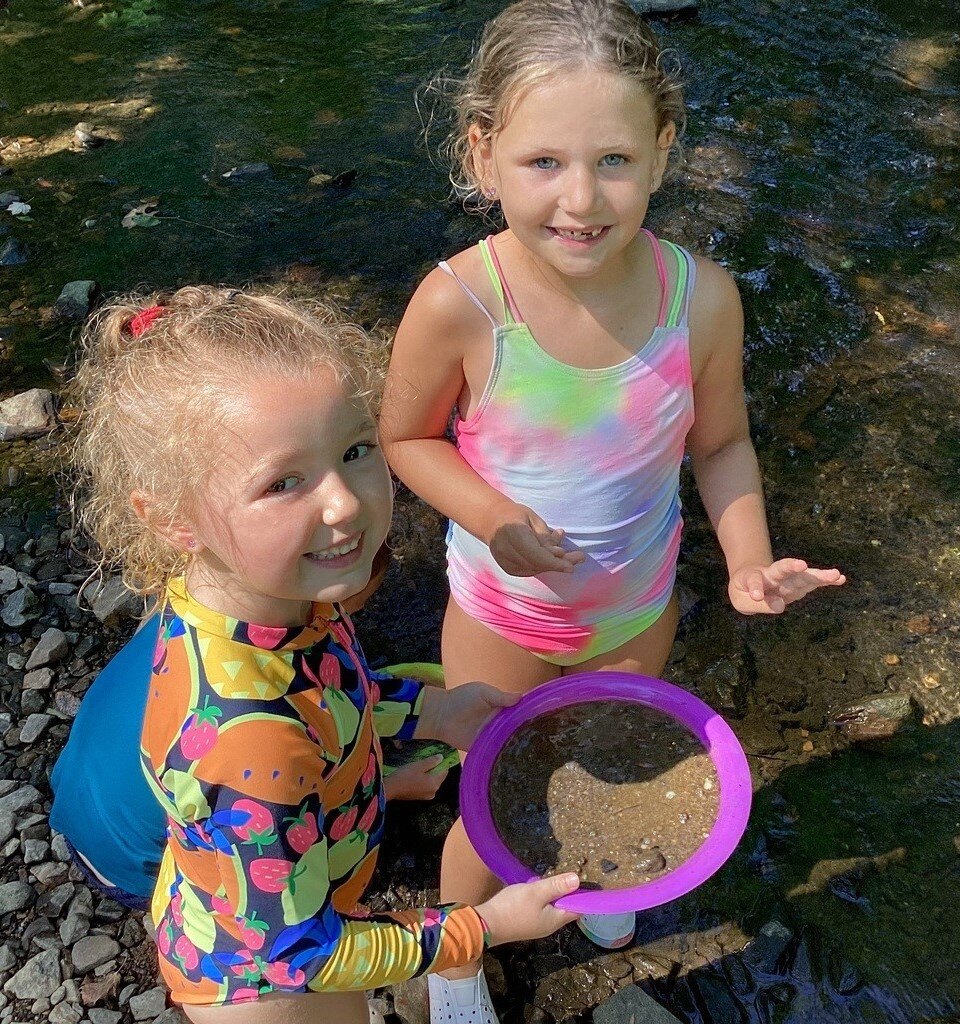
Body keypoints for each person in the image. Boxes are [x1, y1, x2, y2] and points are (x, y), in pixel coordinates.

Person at [380, 0, 846, 1014]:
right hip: (500, 620)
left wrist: (749, 558)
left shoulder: (702, 299)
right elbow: (405, 438)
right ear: (483, 150)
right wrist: (492, 513)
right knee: (490, 801)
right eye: (543, 162)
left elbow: (720, 445)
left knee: (609, 769)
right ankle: (459, 956)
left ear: (665, 152)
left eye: (616, 162)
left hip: (635, 610)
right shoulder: (463, 300)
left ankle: (595, 875)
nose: (581, 199)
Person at [69, 286, 581, 1023]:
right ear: (173, 516)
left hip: (242, 889)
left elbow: (325, 686)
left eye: (355, 449)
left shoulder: (255, 600)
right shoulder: (259, 744)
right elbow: (303, 955)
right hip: (266, 988)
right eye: (284, 482)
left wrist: (435, 710)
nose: (344, 503)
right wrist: (487, 926)